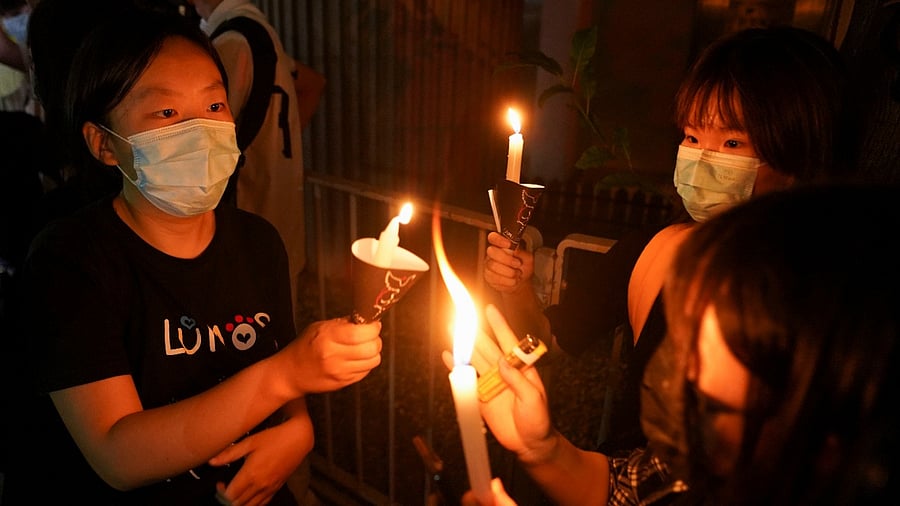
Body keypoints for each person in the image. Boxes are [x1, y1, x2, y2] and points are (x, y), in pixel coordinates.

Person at [9, 8, 381, 505]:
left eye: (214, 105)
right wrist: (287, 374)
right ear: (104, 144)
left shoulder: (258, 242)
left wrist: (299, 430)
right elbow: (118, 454)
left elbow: (279, 375)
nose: (200, 132)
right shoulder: (69, 262)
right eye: (166, 114)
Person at [483, 25, 857, 455]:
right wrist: (518, 287)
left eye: (732, 142)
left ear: (799, 154)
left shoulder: (830, 295)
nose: (702, 160)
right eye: (693, 137)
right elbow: (548, 341)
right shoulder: (654, 251)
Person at [460, 183, 900, 505]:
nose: (680, 398)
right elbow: (629, 489)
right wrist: (544, 449)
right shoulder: (700, 461)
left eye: (714, 404)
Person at [187, 0, 325, 331]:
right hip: (277, 208)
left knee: (248, 335)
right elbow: (312, 84)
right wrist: (277, 149)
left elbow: (204, 140)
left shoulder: (231, 43)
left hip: (247, 212)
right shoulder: (260, 34)